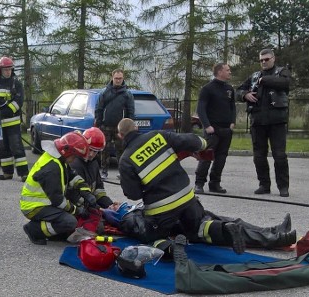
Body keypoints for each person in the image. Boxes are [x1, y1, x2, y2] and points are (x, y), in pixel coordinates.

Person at [116, 119, 296, 252]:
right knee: (207, 222)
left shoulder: (126, 160)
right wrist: (202, 147)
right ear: (137, 128)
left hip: (161, 213)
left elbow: (133, 194)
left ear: (120, 136)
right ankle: (274, 234)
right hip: (188, 199)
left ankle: (272, 234)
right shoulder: (158, 136)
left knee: (157, 232)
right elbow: (193, 141)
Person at [20, 130, 102, 245]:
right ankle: (34, 230)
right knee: (70, 222)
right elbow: (58, 200)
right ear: (67, 152)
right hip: (34, 207)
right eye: (74, 156)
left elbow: (72, 176)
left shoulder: (58, 159)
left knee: (68, 218)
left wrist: (86, 192)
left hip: (43, 203)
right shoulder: (52, 168)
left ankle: (50, 230)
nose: (74, 160)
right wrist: (77, 210)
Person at [236, 48, 292, 197]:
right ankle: (264, 185)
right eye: (261, 60)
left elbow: (285, 84)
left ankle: (283, 187)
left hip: (277, 121)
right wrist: (245, 94)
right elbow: (238, 90)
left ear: (273, 58)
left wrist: (264, 80)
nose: (264, 62)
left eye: (266, 59)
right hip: (258, 121)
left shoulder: (282, 72)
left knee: (279, 155)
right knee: (259, 156)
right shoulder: (254, 76)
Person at [194, 62, 236, 195]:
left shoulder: (229, 89)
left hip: (226, 130)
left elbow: (232, 107)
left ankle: (215, 183)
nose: (230, 72)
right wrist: (207, 126)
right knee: (206, 156)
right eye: (227, 70)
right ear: (219, 72)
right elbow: (200, 109)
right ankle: (199, 183)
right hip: (213, 130)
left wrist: (232, 122)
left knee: (221, 157)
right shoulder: (207, 89)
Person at [0, 56, 29, 181]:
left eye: (10, 69)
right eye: (6, 69)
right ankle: (7, 173)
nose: (8, 72)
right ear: (0, 70)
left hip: (12, 121)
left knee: (16, 147)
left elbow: (19, 100)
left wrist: (6, 110)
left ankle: (23, 174)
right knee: (2, 148)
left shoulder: (16, 83)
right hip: (0, 123)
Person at [94, 69, 135, 178]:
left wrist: (130, 126)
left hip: (120, 128)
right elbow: (99, 108)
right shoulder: (104, 92)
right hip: (105, 126)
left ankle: (122, 172)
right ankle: (104, 171)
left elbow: (131, 111)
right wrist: (98, 123)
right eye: (116, 78)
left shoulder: (127, 94)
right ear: (112, 78)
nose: (118, 80)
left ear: (123, 78)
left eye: (120, 78)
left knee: (121, 151)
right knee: (104, 150)